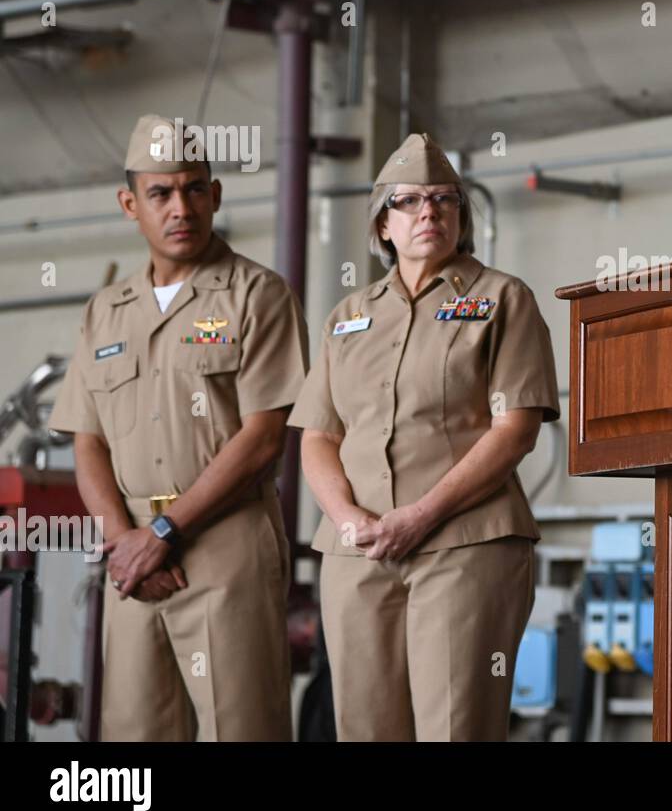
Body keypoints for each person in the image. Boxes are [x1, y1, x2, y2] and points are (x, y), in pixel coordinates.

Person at [289, 133, 560, 741]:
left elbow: (514, 428)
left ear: (461, 218)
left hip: (464, 545)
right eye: (408, 201)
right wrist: (348, 518)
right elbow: (318, 436)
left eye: (443, 199)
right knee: (365, 728)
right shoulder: (348, 317)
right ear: (383, 225)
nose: (428, 212)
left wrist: (420, 515)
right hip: (355, 552)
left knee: (455, 725)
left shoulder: (501, 299)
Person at [48, 113, 308, 740]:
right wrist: (125, 541)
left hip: (226, 543)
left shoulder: (256, 295)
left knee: (240, 724)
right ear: (129, 203)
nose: (180, 208)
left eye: (195, 189)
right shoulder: (105, 313)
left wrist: (166, 531)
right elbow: (89, 439)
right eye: (160, 193)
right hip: (132, 553)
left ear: (215, 195)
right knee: (133, 734)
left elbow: (264, 436)